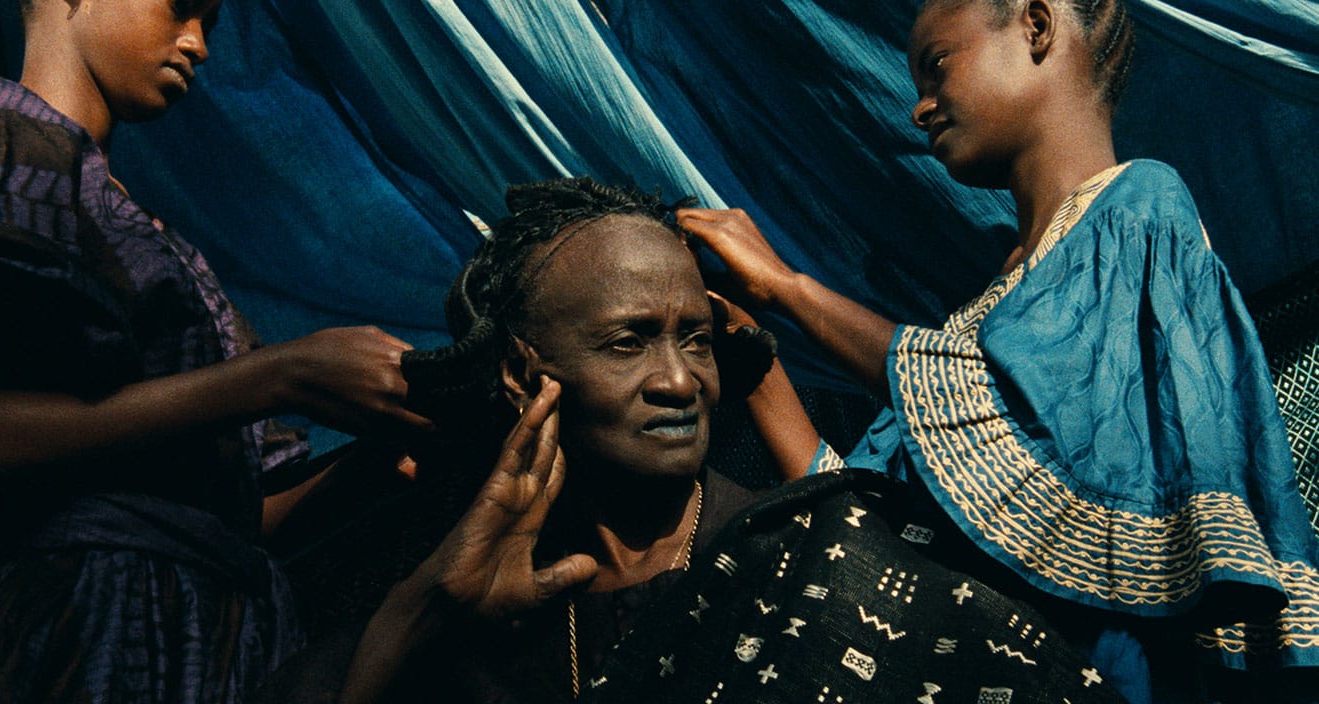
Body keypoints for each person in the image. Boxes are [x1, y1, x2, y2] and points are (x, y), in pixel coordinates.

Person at [0, 0, 432, 700]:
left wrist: (376, 452)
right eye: (180, 1)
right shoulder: (1, 136)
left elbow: (250, 518)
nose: (199, 43)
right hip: (71, 637)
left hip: (215, 647)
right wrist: (273, 377)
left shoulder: (155, 240)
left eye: (210, 18)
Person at [677, 0, 1319, 701]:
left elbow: (1039, 439)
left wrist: (790, 287)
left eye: (937, 65)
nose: (918, 107)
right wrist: (754, 348)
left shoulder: (1140, 205)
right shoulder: (991, 300)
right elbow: (870, 513)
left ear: (1038, 29)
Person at [266, 177, 1123, 704]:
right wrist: (425, 614)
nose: (681, 379)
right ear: (525, 377)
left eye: (697, 340)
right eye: (628, 341)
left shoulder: (825, 557)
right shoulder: (461, 599)